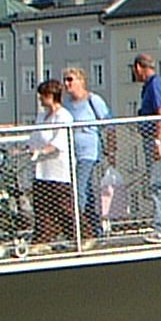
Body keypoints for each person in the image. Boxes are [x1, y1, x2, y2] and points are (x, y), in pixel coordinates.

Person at [129, 55, 161, 238]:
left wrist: (157, 140)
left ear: (139, 67)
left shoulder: (155, 84)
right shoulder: (152, 85)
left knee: (159, 183)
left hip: (159, 139)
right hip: (159, 138)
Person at [63, 65, 111, 242]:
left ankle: (78, 229)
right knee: (88, 191)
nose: (67, 84)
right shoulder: (66, 104)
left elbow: (108, 122)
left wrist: (111, 150)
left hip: (89, 152)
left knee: (79, 190)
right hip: (71, 153)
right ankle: (94, 229)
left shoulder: (93, 100)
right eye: (65, 80)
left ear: (80, 81)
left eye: (70, 79)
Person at [27, 79, 77, 247]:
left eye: (43, 96)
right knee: (42, 207)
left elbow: (59, 142)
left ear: (51, 96)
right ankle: (42, 240)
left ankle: (81, 235)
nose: (40, 99)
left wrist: (42, 151)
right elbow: (35, 137)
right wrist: (26, 149)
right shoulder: (42, 116)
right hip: (41, 169)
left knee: (63, 206)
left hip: (58, 170)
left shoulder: (63, 116)